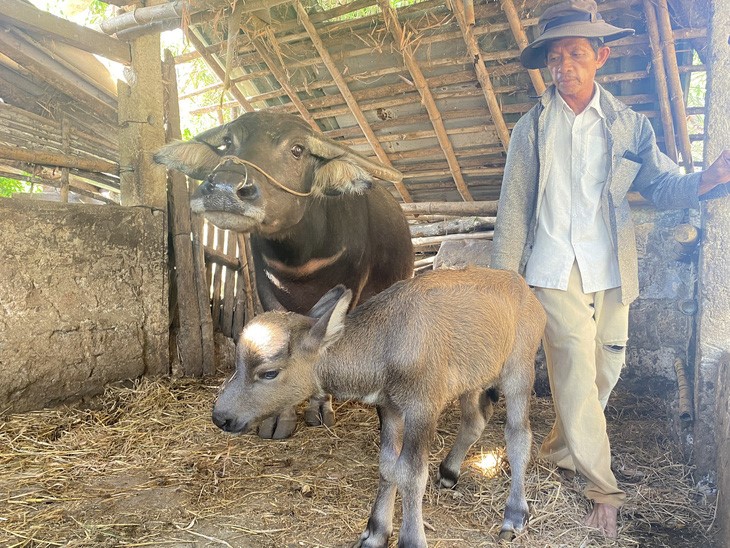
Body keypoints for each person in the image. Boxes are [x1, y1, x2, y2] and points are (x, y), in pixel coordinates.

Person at [490, 0, 730, 538]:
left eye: (575, 54)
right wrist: (502, 285)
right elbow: (512, 209)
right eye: (555, 57)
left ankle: (557, 451)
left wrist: (708, 179)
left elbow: (661, 184)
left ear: (600, 57)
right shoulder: (531, 129)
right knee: (575, 367)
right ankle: (603, 490)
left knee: (604, 371)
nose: (564, 67)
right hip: (552, 268)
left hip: (611, 267)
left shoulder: (628, 126)